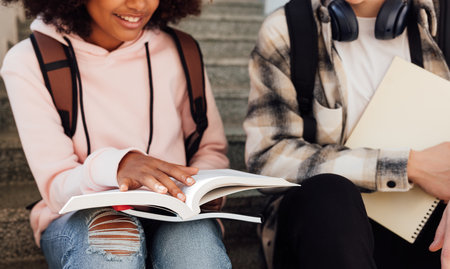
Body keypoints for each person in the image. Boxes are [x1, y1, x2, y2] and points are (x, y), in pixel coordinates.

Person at [0, 0, 232, 268]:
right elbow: (56, 184)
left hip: (173, 210)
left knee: (195, 250)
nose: (139, 4)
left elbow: (210, 148)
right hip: (78, 218)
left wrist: (200, 188)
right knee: (113, 237)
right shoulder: (30, 59)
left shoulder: (181, 50)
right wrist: (117, 166)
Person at [244, 0, 450, 268]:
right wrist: (408, 166)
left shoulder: (440, 21)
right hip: (323, 234)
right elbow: (266, 159)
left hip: (426, 223)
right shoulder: (287, 29)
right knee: (329, 195)